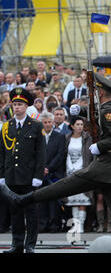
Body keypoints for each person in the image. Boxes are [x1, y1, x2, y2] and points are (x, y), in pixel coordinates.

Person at [0, 73, 111, 253]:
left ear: (101, 93)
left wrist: (100, 146)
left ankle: (21, 200)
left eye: (94, 91)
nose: (92, 94)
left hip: (105, 165)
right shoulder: (110, 108)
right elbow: (97, 115)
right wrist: (81, 111)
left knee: (66, 185)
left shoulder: (109, 111)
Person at [0, 87, 45, 253]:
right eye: (14, 104)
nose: (16, 107)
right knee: (15, 211)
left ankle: (30, 245)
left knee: (31, 212)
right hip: (12, 176)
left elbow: (41, 153)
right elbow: (2, 153)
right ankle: (17, 244)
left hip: (29, 176)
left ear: (26, 107)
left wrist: (38, 175)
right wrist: (2, 175)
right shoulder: (7, 126)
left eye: (20, 104)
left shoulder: (35, 125)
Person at [38, 112, 67, 233]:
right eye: (45, 122)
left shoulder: (59, 137)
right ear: (42, 124)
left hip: (54, 174)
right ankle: (42, 225)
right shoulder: (38, 137)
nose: (48, 124)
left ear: (53, 122)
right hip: (40, 174)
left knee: (54, 201)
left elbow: (60, 155)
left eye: (49, 122)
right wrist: (41, 169)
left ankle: (54, 224)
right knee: (41, 200)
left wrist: (48, 168)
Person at [64, 116, 93, 234]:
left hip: (83, 171)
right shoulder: (67, 138)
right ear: (72, 126)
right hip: (70, 171)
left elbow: (88, 155)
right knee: (73, 200)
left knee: (83, 200)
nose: (80, 127)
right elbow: (66, 154)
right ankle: (75, 225)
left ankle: (81, 225)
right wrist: (70, 167)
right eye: (78, 124)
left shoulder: (87, 138)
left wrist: (83, 168)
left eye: (82, 124)